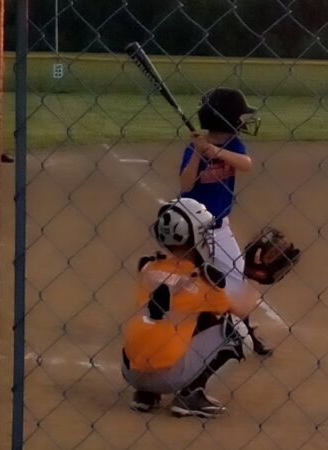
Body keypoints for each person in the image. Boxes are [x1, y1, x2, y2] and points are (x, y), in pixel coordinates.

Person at [121, 197, 258, 418]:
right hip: (169, 376)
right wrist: (250, 275)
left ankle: (145, 395)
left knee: (169, 321)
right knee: (236, 331)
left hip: (131, 371)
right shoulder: (204, 279)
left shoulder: (147, 266)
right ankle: (191, 395)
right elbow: (240, 309)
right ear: (195, 236)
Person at [178, 87, 272, 355]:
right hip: (192, 232)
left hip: (219, 227)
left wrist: (216, 152)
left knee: (237, 280)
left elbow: (246, 164)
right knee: (188, 284)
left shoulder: (233, 145)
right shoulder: (193, 148)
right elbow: (185, 186)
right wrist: (198, 153)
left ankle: (245, 333)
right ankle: (189, 333)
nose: (244, 122)